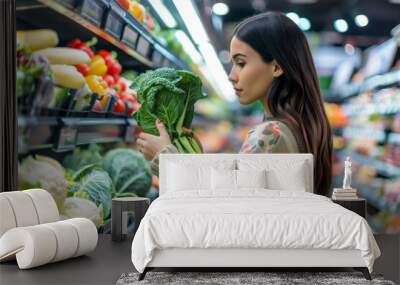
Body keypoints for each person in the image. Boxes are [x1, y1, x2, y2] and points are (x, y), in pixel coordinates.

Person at [136, 12, 333, 196]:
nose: (231, 76)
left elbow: (226, 205)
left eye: (241, 63)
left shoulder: (269, 136)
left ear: (277, 67)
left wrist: (165, 158)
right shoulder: (300, 126)